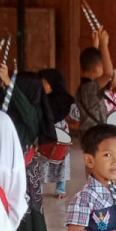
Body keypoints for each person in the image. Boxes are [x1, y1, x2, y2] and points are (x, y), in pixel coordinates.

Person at [0, 64, 57, 231]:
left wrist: (10, 83)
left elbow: (24, 107)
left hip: (26, 165)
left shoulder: (32, 112)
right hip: (13, 164)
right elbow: (5, 99)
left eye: (17, 88)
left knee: (32, 201)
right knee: (17, 201)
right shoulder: (15, 109)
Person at [40, 68, 75, 198]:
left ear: (54, 83)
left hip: (62, 133)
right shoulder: (41, 99)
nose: (41, 85)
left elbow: (75, 115)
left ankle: (61, 188)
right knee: (42, 159)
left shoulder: (66, 100)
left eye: (44, 82)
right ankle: (39, 187)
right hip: (45, 131)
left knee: (62, 159)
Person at [75, 28, 116, 131]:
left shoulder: (85, 85)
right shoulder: (90, 88)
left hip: (90, 134)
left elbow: (93, 60)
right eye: (102, 66)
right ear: (96, 69)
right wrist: (104, 44)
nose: (104, 69)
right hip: (95, 136)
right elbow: (108, 73)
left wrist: (95, 44)